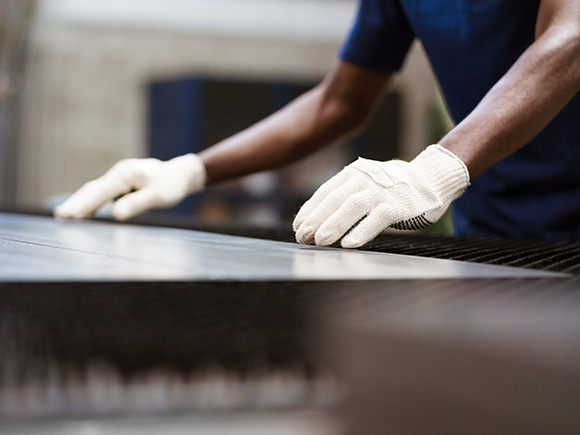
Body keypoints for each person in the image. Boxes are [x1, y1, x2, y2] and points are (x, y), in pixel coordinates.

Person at [55, 0, 580, 245]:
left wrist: (433, 172)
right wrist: (191, 170)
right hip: (493, 239)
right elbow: (338, 103)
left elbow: (570, 36)